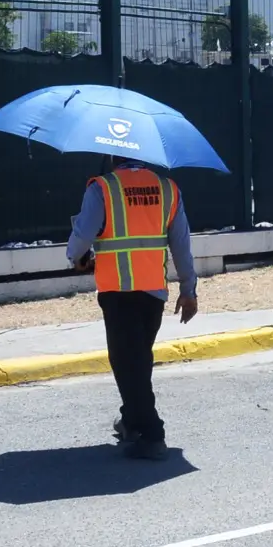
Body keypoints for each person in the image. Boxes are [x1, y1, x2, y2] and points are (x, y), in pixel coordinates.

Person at [66, 158, 198, 461]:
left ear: (113, 156)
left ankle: (153, 434)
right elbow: (181, 245)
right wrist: (188, 291)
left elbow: (84, 235)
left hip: (117, 291)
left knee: (127, 363)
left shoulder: (103, 188)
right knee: (137, 360)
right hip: (153, 292)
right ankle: (130, 421)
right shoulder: (168, 189)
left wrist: (74, 256)